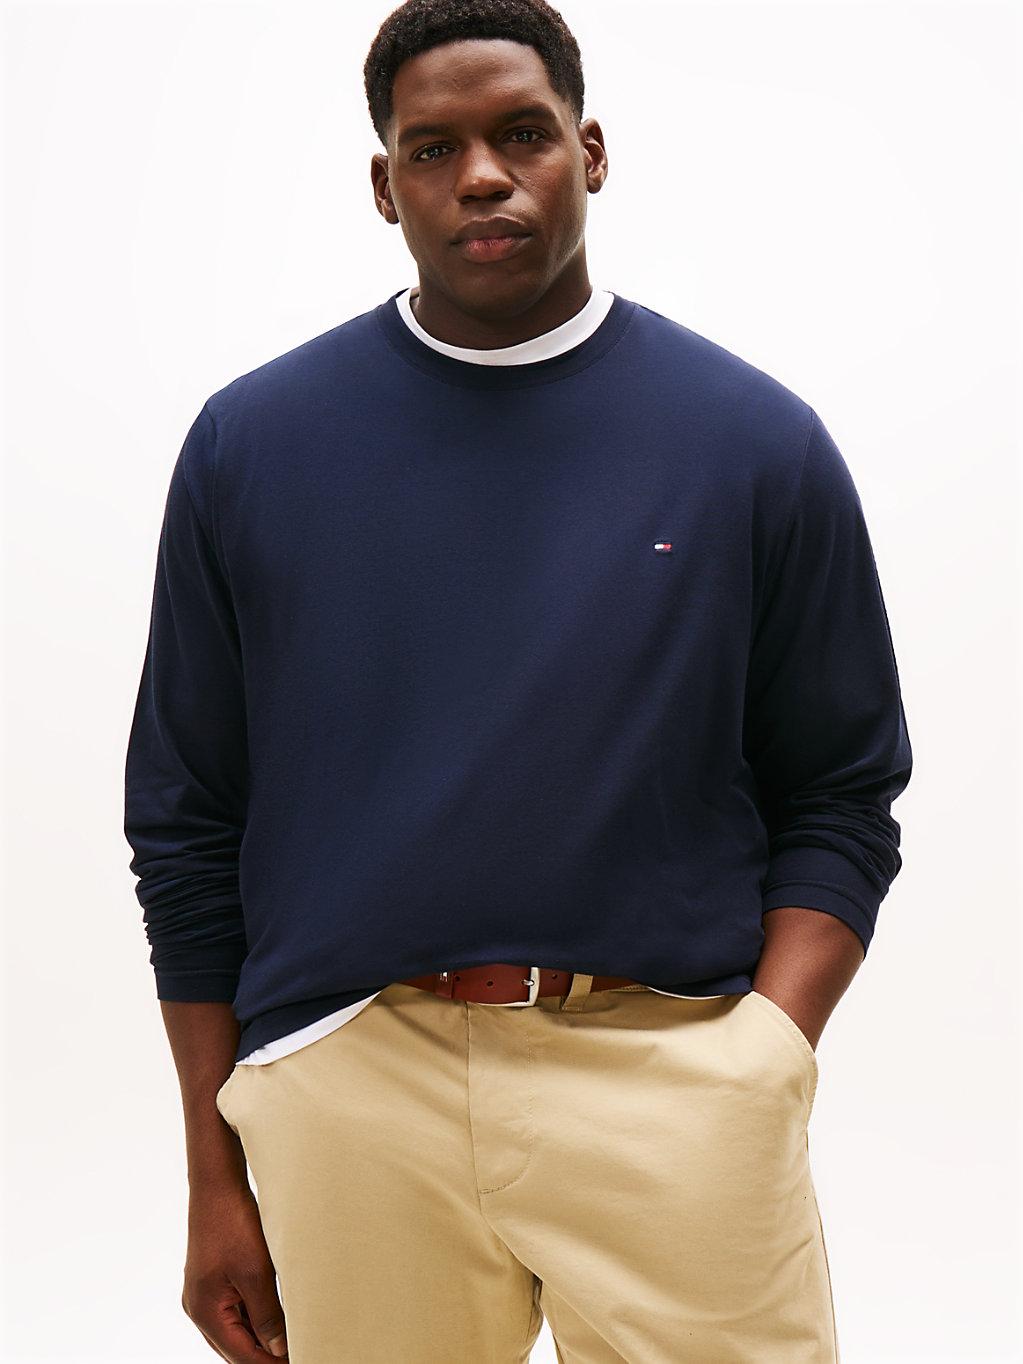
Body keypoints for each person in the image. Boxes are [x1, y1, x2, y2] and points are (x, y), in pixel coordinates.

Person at [122, 1, 913, 1359]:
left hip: (672, 1073)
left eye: (523, 135)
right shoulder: (253, 448)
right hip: (353, 1086)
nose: (482, 175)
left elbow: (843, 793)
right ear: (386, 185)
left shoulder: (754, 444)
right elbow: (188, 826)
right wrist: (215, 1172)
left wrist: (765, 1056)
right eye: (434, 148)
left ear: (589, 153)